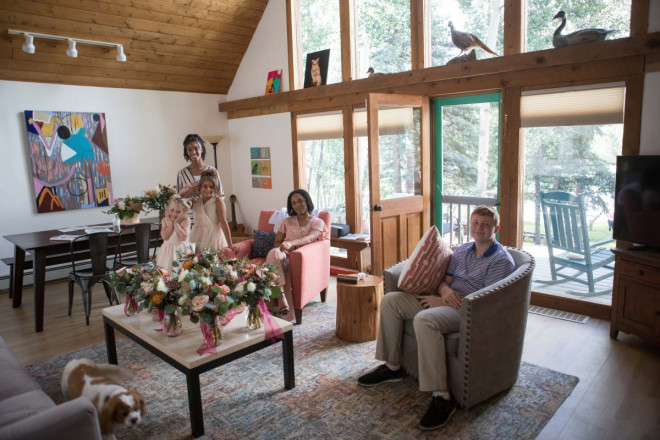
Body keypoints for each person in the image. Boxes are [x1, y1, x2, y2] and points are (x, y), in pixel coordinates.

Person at [357, 205, 515, 430]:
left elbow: (487, 302)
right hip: (442, 300)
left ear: (495, 228)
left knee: (425, 320)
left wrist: (445, 301)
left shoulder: (500, 261)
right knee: (391, 300)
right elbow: (445, 280)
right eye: (475, 223)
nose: (479, 228)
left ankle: (442, 397)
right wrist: (443, 292)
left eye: (485, 224)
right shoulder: (462, 250)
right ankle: (393, 367)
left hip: (467, 311)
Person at [265, 189, 328, 322]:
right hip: (284, 255)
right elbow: (277, 241)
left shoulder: (318, 222)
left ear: (307, 201)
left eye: (300, 201)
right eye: (294, 203)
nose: (298, 205)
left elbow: (310, 238)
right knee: (273, 253)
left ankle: (272, 301)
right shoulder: (287, 221)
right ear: (291, 207)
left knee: (271, 262)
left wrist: (291, 243)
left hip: (304, 258)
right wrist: (282, 247)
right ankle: (281, 296)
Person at [189, 170, 236, 252]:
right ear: (200, 187)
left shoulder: (217, 201)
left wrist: (230, 244)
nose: (208, 189)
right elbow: (179, 205)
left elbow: (223, 222)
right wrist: (187, 191)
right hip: (197, 236)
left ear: (215, 188)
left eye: (211, 187)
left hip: (213, 238)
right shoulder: (195, 201)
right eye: (205, 186)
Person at [177, 134, 224, 199]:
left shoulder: (213, 171)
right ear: (186, 152)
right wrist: (187, 194)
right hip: (190, 209)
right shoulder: (182, 174)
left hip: (210, 208)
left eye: (196, 148)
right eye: (189, 149)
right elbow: (177, 200)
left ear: (201, 149)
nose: (193, 152)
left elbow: (220, 195)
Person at [155, 195, 192, 275]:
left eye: (178, 211)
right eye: (172, 210)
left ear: (184, 212)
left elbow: (183, 237)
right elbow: (165, 236)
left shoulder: (186, 220)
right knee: (166, 272)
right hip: (167, 251)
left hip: (181, 250)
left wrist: (176, 224)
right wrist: (171, 223)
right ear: (168, 210)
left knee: (181, 272)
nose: (174, 213)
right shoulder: (165, 220)